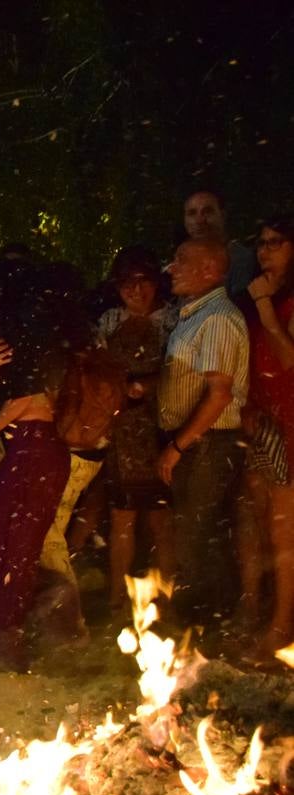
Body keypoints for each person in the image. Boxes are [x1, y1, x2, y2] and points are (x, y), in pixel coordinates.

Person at [0, 266, 73, 668]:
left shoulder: (34, 336)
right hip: (46, 452)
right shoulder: (61, 339)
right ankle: (4, 640)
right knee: (20, 549)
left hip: (30, 448)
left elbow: (27, 398)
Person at [156, 238, 249, 633]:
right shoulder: (194, 314)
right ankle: (198, 629)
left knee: (199, 535)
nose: (170, 267)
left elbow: (219, 394)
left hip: (207, 444)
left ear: (210, 270)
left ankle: (206, 629)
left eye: (180, 260)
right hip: (196, 443)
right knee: (192, 532)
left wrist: (178, 447)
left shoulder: (218, 318)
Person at [97, 248, 177, 612]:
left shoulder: (172, 321)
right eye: (127, 282)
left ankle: (166, 601)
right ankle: (117, 599)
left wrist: (146, 384)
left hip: (162, 429)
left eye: (142, 281)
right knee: (122, 519)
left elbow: (182, 370)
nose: (135, 289)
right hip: (121, 436)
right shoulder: (110, 322)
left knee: (162, 521)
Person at [233, 215, 294, 657]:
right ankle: (251, 608)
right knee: (251, 519)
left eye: (276, 242)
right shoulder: (253, 297)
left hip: (291, 425)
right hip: (260, 422)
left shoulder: (278, 302)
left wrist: (269, 311)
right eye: (261, 242)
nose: (265, 250)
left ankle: (281, 625)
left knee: (283, 529)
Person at [183, 189, 257, 300]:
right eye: (192, 213)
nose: (199, 220)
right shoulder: (188, 264)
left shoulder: (240, 260)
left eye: (207, 212)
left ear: (222, 216)